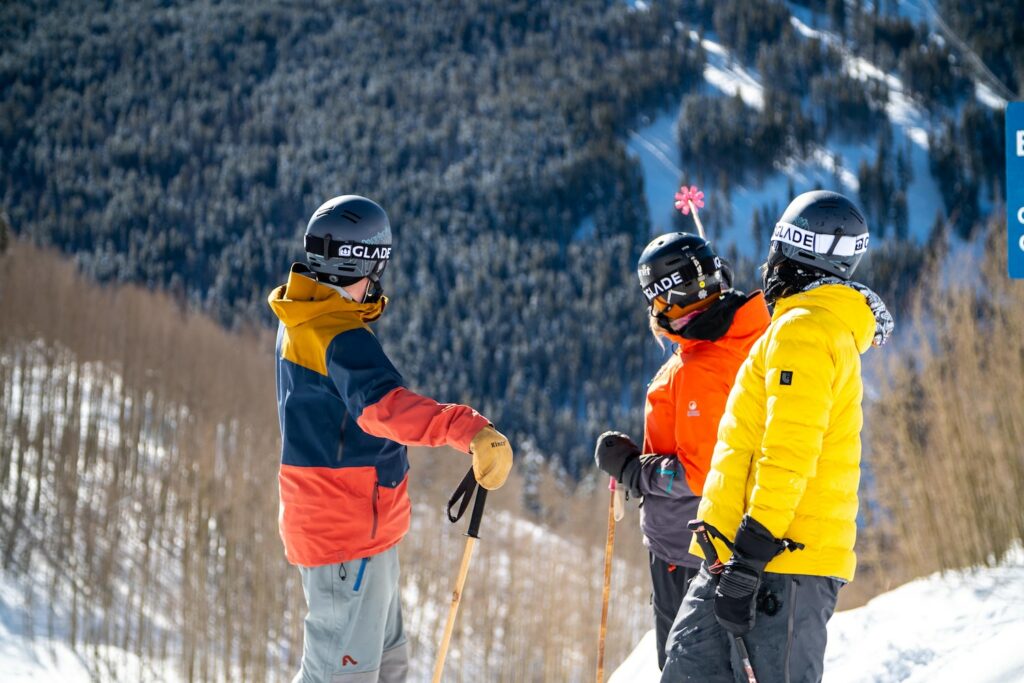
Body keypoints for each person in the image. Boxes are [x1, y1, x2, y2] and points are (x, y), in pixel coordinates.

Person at [268, 195, 514, 683]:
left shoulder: (303, 318)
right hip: (345, 536)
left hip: (359, 529)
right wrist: (466, 428)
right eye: (374, 272)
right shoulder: (338, 333)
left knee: (386, 667)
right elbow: (384, 409)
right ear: (356, 264)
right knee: (341, 676)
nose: (374, 285)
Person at [660, 191, 894, 682]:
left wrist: (752, 550)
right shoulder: (798, 326)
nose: (767, 267)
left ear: (792, 253)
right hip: (736, 553)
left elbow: (791, 445)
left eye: (776, 251)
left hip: (778, 561)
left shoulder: (804, 330)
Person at [594, 232, 771, 670]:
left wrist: (635, 470)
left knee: (687, 667)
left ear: (668, 301)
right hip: (729, 542)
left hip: (690, 549)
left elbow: (698, 474)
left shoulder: (704, 368)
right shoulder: (746, 337)